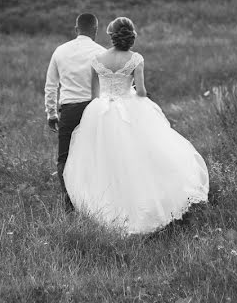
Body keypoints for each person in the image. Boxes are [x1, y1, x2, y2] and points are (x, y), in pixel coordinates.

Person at [63, 17, 209, 234]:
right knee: (142, 154)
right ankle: (146, 202)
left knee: (105, 159)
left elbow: (94, 94)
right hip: (129, 109)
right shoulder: (136, 59)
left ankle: (106, 206)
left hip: (101, 112)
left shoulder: (96, 59)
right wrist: (131, 91)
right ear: (130, 35)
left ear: (111, 35)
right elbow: (141, 91)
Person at [44, 13, 106, 212]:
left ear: (76, 28)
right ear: (95, 30)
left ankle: (70, 203)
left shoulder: (60, 51)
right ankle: (94, 201)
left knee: (65, 157)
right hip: (94, 109)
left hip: (69, 110)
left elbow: (51, 86)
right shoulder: (102, 53)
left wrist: (51, 114)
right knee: (95, 156)